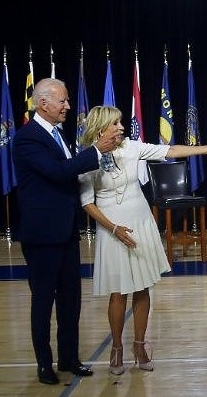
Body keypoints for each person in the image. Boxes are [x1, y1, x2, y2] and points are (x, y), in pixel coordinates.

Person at [77, 105, 207, 375]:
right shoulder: (86, 158)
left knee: (143, 289)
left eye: (120, 123)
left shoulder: (132, 147)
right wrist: (114, 228)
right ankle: (116, 348)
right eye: (115, 124)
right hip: (113, 228)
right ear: (101, 128)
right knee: (118, 293)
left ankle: (139, 345)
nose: (121, 127)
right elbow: (87, 203)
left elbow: (171, 151)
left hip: (140, 223)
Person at [12, 78, 122, 385]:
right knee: (43, 301)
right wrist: (97, 149)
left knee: (71, 300)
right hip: (42, 235)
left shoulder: (58, 134)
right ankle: (44, 364)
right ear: (43, 104)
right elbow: (57, 172)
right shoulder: (27, 138)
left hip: (66, 230)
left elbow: (70, 172)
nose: (68, 107)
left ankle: (69, 358)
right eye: (63, 101)